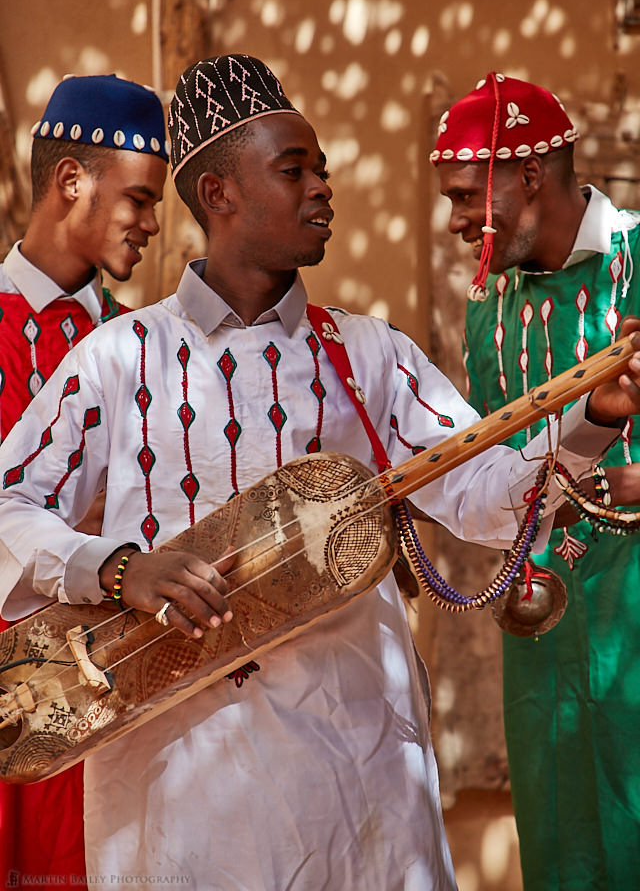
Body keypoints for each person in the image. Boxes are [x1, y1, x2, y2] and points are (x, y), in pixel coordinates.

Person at [0, 55, 638, 891]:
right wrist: (119, 567)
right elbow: (10, 505)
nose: (322, 189)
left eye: (322, 170)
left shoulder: (373, 355)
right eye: (294, 169)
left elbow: (488, 500)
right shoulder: (120, 358)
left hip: (359, 767)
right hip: (175, 780)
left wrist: (596, 416)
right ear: (220, 194)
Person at [432, 72, 640, 891]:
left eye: (462, 196)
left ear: (527, 174)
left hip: (634, 618)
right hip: (541, 619)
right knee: (562, 849)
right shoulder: (489, 303)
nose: (453, 222)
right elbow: (489, 470)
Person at [0, 73, 167, 889]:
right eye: (137, 198)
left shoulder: (148, 347)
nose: (152, 223)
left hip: (105, 688)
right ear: (72, 182)